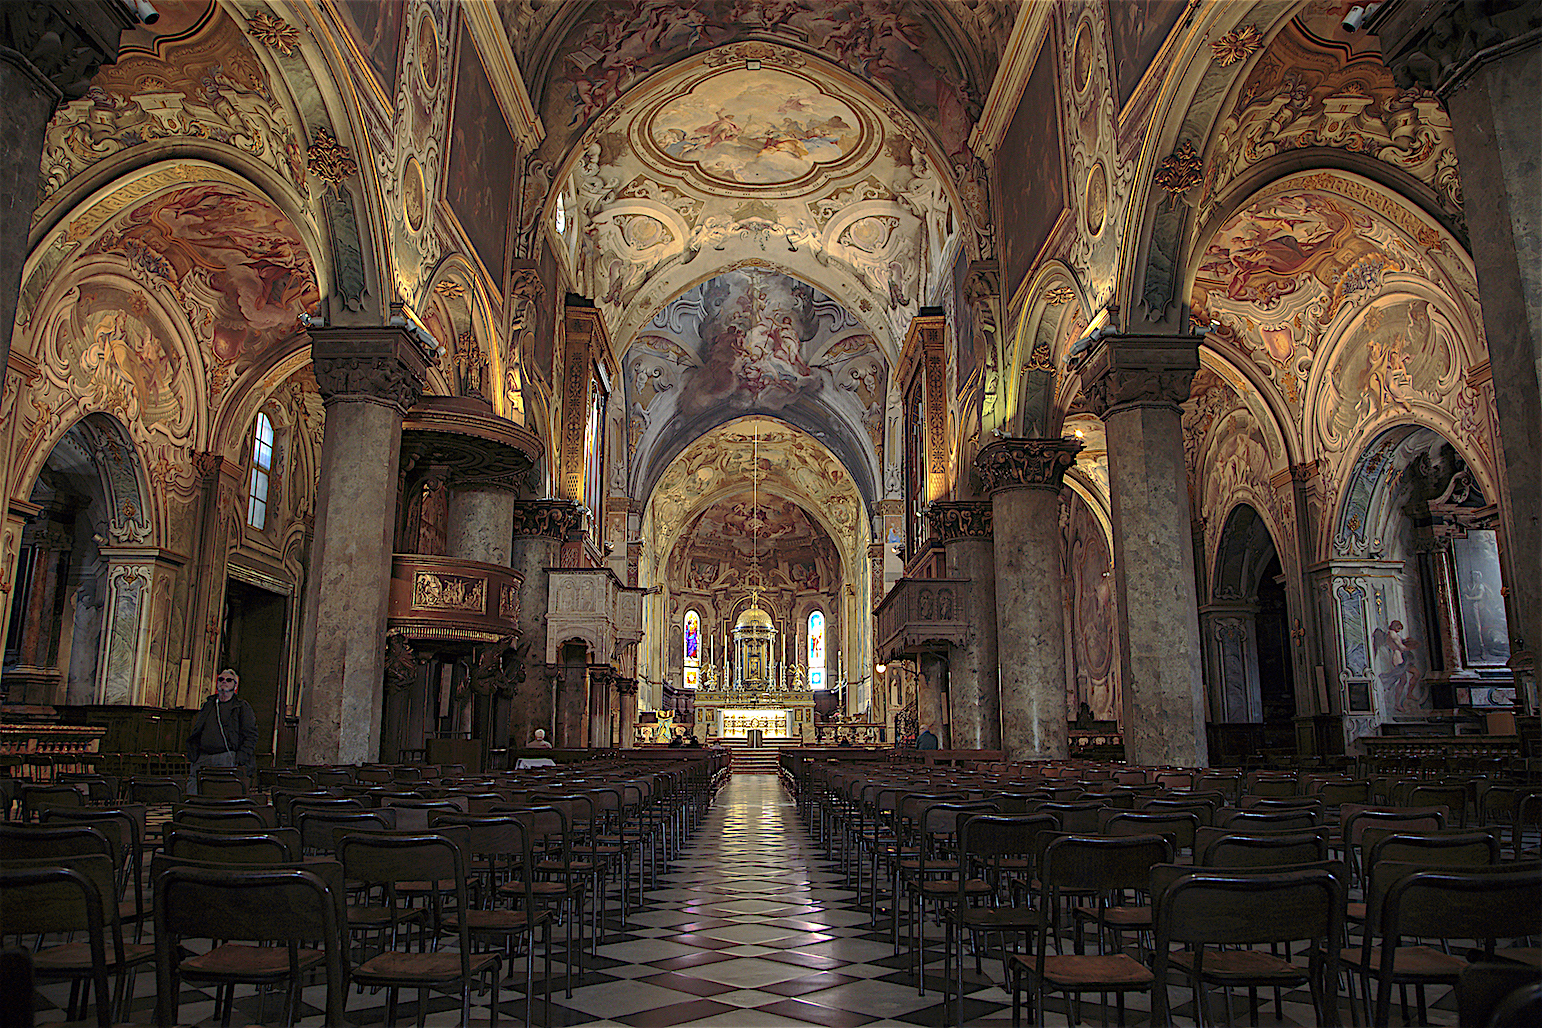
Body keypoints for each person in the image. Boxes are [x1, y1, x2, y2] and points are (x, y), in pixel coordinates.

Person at [187, 668, 257, 792]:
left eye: (229, 680)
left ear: (235, 685)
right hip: (203, 757)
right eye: (221, 679)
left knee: (221, 792)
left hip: (227, 757)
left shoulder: (241, 707)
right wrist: (194, 754)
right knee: (194, 790)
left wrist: (239, 758)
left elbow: (251, 736)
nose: (224, 682)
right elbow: (198, 729)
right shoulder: (209, 704)